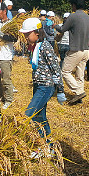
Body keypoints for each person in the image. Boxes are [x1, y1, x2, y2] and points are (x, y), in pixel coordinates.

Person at [19, 17, 66, 158]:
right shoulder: (35, 47)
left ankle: (41, 146)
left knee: (29, 114)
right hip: (38, 85)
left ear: (37, 33)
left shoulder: (45, 47)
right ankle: (49, 147)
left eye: (28, 34)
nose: (26, 37)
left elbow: (56, 69)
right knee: (40, 116)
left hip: (46, 86)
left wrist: (61, 90)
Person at [54, 0, 89, 105]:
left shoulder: (73, 16)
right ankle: (79, 96)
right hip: (86, 49)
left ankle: (78, 92)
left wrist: (55, 25)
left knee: (65, 71)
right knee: (80, 75)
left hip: (76, 49)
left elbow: (62, 29)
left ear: (74, 5)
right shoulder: (87, 17)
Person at [0, 2, 17, 109]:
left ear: (4, 11)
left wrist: (1, 35)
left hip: (5, 56)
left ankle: (9, 99)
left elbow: (14, 38)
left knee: (6, 79)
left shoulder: (11, 24)